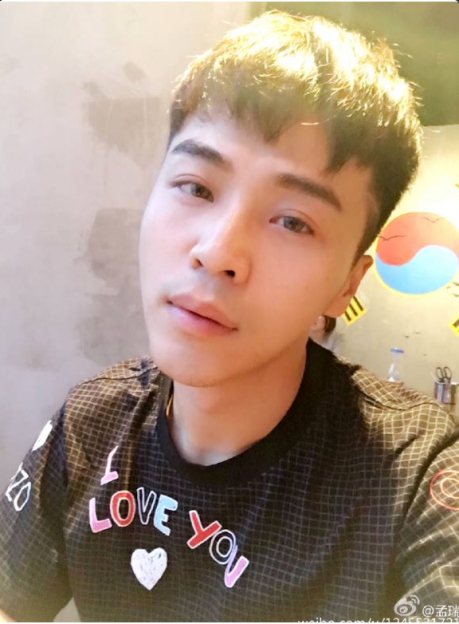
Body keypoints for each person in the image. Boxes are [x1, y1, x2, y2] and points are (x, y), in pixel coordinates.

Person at [1, 10, 458, 623]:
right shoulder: (91, 426)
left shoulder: (413, 475)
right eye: (196, 187)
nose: (217, 252)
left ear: (347, 285)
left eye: (293, 221)